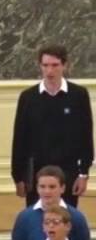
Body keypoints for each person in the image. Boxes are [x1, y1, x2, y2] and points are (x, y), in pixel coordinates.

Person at [12, 44, 94, 206]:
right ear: (40, 66)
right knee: (37, 218)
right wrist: (18, 177)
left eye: (55, 65)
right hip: (36, 173)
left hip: (68, 172)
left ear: (64, 65)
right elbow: (20, 139)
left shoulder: (78, 95)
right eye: (45, 65)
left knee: (66, 219)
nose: (50, 71)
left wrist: (84, 174)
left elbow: (86, 136)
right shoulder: (28, 97)